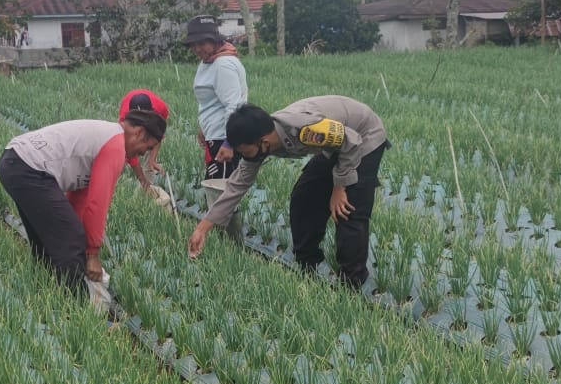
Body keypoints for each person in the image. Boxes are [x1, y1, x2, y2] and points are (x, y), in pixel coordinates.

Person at [187, 97, 390, 290]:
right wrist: (203, 228)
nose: (244, 157)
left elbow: (350, 141)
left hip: (362, 137)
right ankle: (306, 266)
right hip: (333, 145)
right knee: (303, 198)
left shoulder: (304, 129)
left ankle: (351, 284)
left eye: (245, 151)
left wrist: (339, 187)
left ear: (264, 142)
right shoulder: (259, 142)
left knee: (348, 210)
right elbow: (237, 185)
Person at [0, 110, 167, 295]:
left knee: (49, 241)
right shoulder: (115, 146)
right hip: (30, 168)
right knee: (71, 239)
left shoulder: (106, 137)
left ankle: (44, 292)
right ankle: (77, 307)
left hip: (14, 162)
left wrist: (80, 239)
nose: (144, 153)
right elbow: (97, 203)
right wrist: (92, 253)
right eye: (147, 147)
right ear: (140, 133)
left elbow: (80, 199)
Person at [186, 15, 248, 181]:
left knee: (221, 193)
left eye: (202, 43)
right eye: (194, 44)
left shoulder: (223, 64)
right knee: (216, 188)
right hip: (215, 135)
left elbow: (234, 105)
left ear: (214, 40)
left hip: (223, 138)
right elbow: (211, 103)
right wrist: (203, 128)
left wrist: (229, 143)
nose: (198, 49)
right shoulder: (209, 61)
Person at [119, 89, 170, 190]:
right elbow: (128, 150)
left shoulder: (161, 109)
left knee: (149, 164)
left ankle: (146, 191)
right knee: (121, 156)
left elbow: (157, 136)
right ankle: (117, 184)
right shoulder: (125, 117)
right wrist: (141, 179)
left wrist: (152, 159)